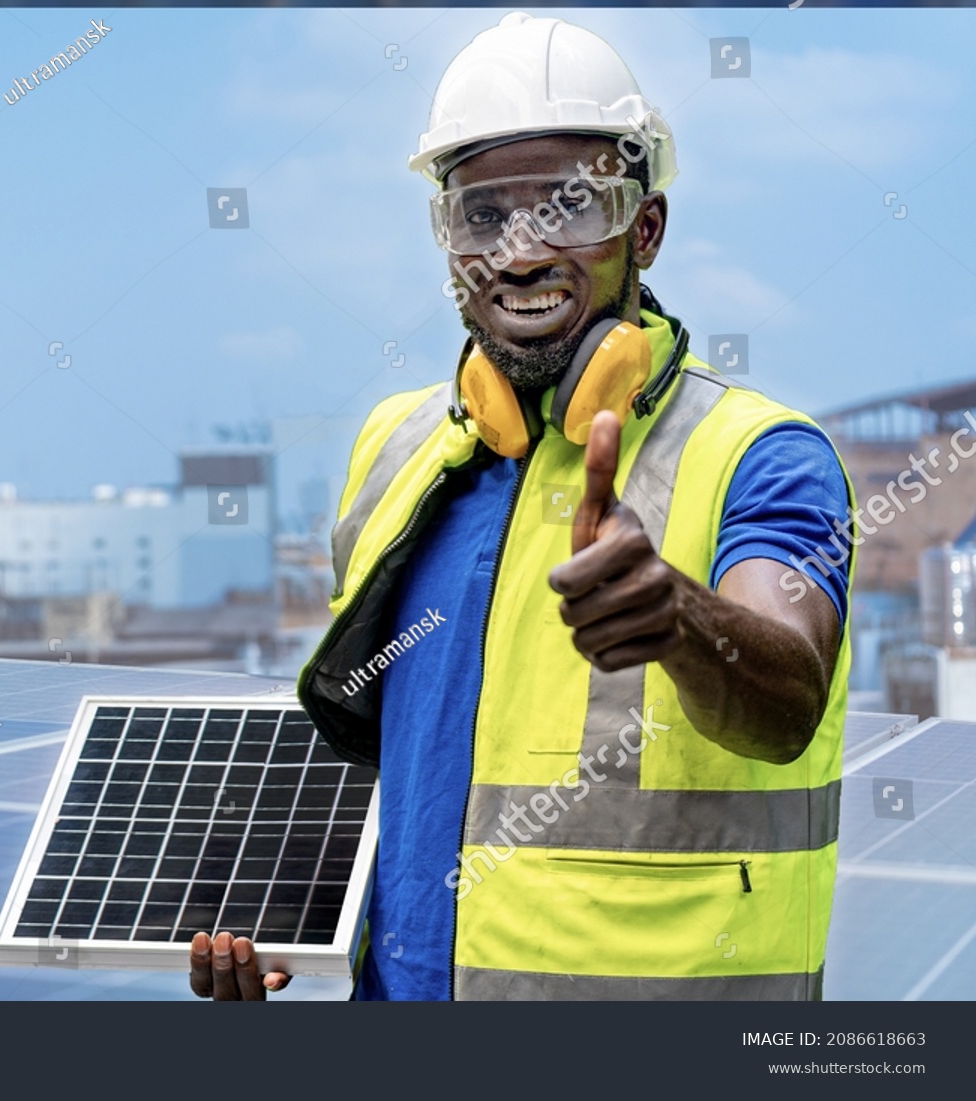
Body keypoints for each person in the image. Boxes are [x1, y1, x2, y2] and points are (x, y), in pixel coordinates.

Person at [190, 11, 855, 1001]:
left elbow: (786, 695)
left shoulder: (761, 458)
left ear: (647, 228)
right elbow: (381, 747)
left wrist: (679, 618)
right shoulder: (400, 450)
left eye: (570, 207)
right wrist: (286, 918)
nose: (519, 253)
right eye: (484, 215)